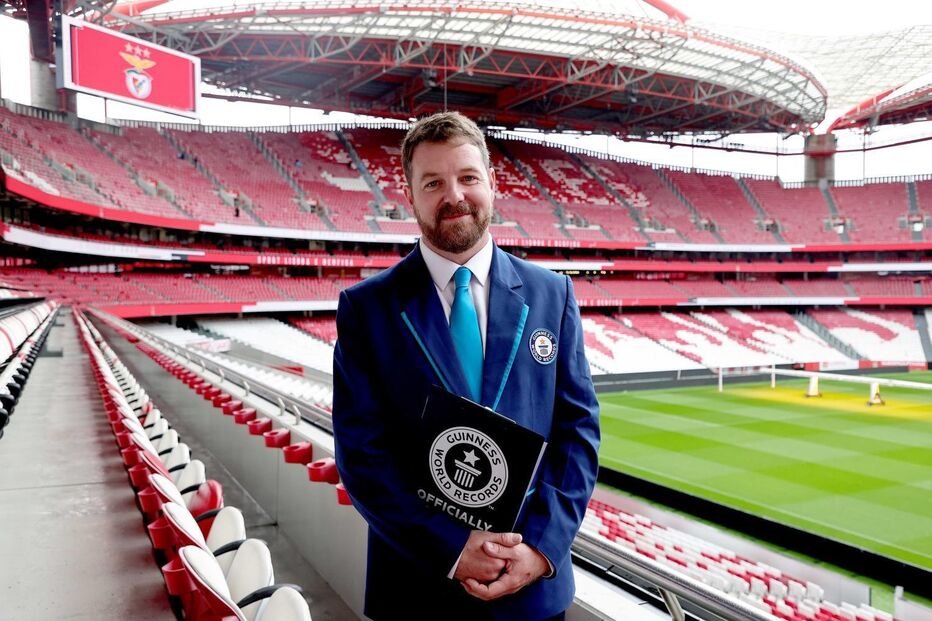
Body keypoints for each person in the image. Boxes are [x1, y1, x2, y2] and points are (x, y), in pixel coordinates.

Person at [332, 111, 600, 621]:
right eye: (433, 183)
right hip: (417, 586)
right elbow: (362, 456)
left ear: (492, 183)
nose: (454, 196)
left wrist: (540, 549)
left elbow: (578, 433)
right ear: (409, 196)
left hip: (531, 589)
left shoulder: (553, 294)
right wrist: (453, 549)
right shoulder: (367, 309)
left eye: (468, 177)